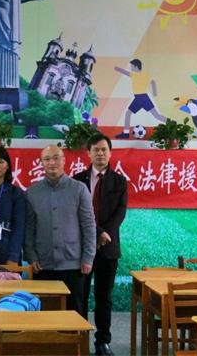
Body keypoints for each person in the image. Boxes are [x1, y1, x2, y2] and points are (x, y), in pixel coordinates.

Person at [24, 145, 96, 315]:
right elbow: (29, 229)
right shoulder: (32, 192)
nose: (52, 163)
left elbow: (88, 225)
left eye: (56, 158)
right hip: (43, 264)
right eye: (47, 159)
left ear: (64, 160)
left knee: (75, 313)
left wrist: (88, 257)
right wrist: (31, 256)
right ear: (41, 163)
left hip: (73, 264)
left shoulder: (79, 189)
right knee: (45, 314)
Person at [73, 134, 128, 356]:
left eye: (104, 149)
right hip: (82, 248)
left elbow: (120, 213)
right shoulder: (77, 180)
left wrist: (105, 234)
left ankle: (103, 341)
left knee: (104, 297)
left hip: (108, 248)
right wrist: (97, 233)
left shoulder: (119, 181)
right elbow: (77, 212)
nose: (100, 153)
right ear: (88, 153)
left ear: (110, 152)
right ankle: (78, 340)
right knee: (80, 295)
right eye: (96, 149)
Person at [114, 59, 166, 139]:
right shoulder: (144, 75)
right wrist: (155, 93)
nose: (131, 68)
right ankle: (172, 123)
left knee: (128, 113)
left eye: (132, 66)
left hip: (140, 98)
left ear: (136, 66)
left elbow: (125, 72)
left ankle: (126, 133)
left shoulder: (134, 75)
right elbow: (153, 82)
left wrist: (116, 68)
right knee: (156, 115)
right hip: (144, 98)